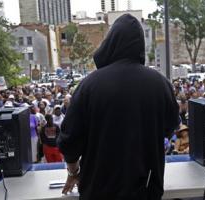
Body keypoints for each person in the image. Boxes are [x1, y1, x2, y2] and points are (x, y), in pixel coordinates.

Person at [58, 14, 179, 200]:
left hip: (99, 191)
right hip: (146, 189)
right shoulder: (161, 84)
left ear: (111, 42)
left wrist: (73, 172)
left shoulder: (89, 85)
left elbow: (70, 140)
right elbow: (169, 128)